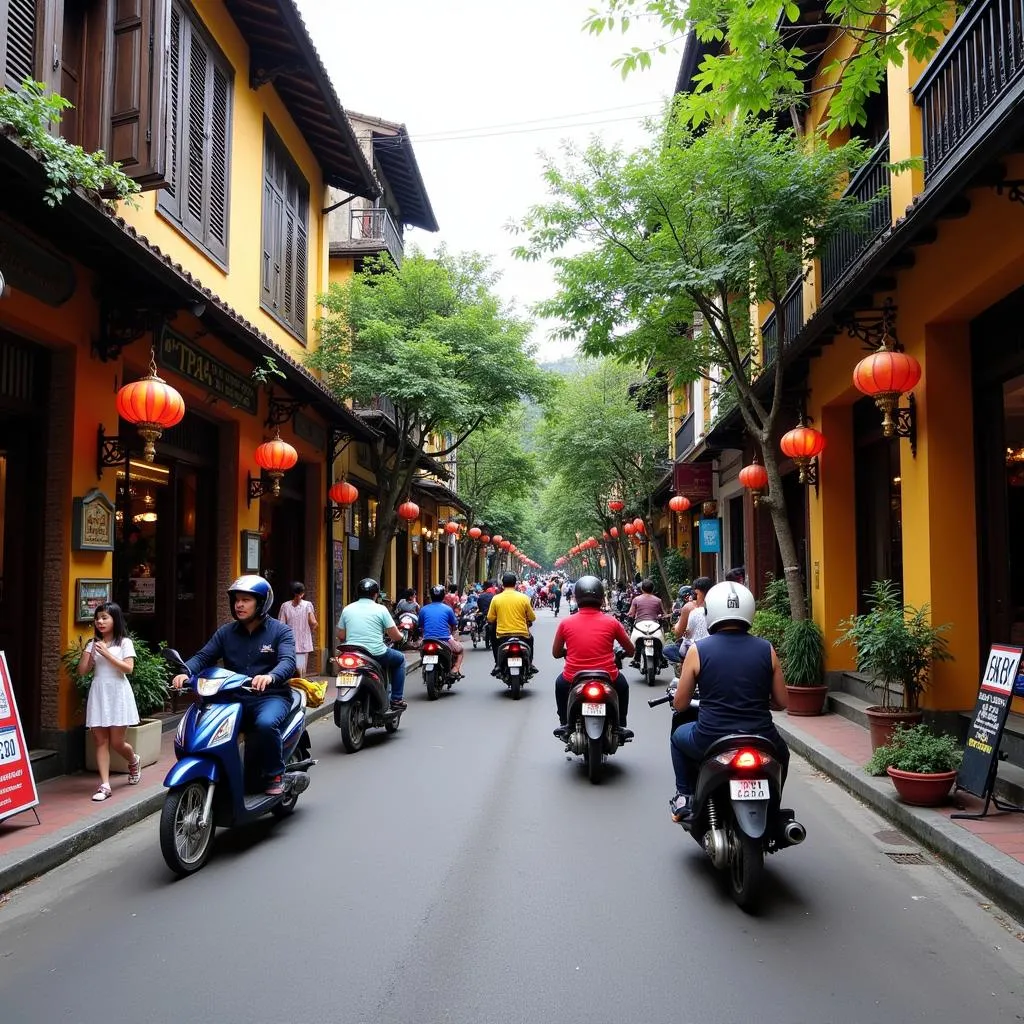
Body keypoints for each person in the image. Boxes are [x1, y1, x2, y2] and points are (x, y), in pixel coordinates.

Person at [668, 581, 789, 821]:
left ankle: (684, 796)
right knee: (782, 754)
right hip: (763, 738)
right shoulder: (767, 649)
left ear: (710, 611)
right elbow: (782, 701)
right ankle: (773, 807)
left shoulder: (698, 650)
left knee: (677, 738)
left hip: (711, 738)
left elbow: (680, 705)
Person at [172, 576, 296, 796]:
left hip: (270, 697)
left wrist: (270, 677)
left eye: (246, 600)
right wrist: (185, 672)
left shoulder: (280, 631)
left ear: (261, 603)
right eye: (237, 600)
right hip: (232, 698)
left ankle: (275, 773)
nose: (239, 605)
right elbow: (203, 656)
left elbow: (288, 661)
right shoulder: (226, 632)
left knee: (266, 724)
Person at [552, 577, 635, 742]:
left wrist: (566, 652)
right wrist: (621, 654)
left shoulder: (566, 623)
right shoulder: (612, 622)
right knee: (623, 686)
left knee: (559, 684)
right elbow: (631, 650)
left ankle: (565, 723)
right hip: (608, 676)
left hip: (573, 677)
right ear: (601, 597)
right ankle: (620, 724)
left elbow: (555, 653)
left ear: (576, 597)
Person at [78, 602, 140, 801]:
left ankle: (133, 760)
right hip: (99, 691)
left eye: (105, 617)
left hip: (118, 692)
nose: (100, 622)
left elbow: (128, 669)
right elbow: (82, 671)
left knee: (117, 742)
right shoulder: (92, 644)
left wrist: (106, 653)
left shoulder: (124, 643)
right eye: (97, 618)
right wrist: (89, 654)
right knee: (100, 741)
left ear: (115, 619)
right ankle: (105, 785)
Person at [337, 578, 407, 711]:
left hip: (352, 653)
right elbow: (394, 636)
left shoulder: (347, 609)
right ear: (376, 594)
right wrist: (402, 637)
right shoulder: (381, 609)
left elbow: (341, 635)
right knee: (400, 660)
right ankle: (397, 699)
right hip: (376, 653)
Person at [487, 571, 538, 675]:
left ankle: (497, 664)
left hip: (502, 636)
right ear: (515, 584)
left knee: (493, 641)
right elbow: (532, 617)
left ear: (502, 584)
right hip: (522, 635)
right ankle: (530, 663)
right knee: (531, 640)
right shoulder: (524, 598)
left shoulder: (496, 599)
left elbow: (490, 618)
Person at [663, 576, 712, 666]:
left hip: (696, 650)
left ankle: (685, 664)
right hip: (715, 647)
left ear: (697, 592)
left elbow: (679, 632)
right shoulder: (717, 605)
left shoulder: (690, 607)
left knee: (667, 650)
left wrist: (677, 626)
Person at [418, 585, 465, 678]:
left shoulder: (423, 609)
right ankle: (455, 670)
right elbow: (454, 625)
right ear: (443, 596)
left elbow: (420, 625)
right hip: (444, 639)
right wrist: (452, 633)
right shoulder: (448, 609)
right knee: (460, 651)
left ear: (431, 596)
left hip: (427, 639)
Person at [625, 578, 669, 667]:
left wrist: (625, 615)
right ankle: (662, 658)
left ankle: (635, 659)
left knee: (634, 642)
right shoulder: (658, 600)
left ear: (642, 589)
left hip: (639, 626)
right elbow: (663, 614)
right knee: (661, 641)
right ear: (652, 589)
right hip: (654, 626)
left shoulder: (636, 599)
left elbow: (631, 614)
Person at [278, 581, 318, 677]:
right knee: (300, 672)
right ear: (303, 593)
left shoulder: (285, 606)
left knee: (289, 669)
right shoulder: (307, 605)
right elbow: (313, 622)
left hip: (289, 643)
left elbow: (281, 625)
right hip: (302, 644)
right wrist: (311, 629)